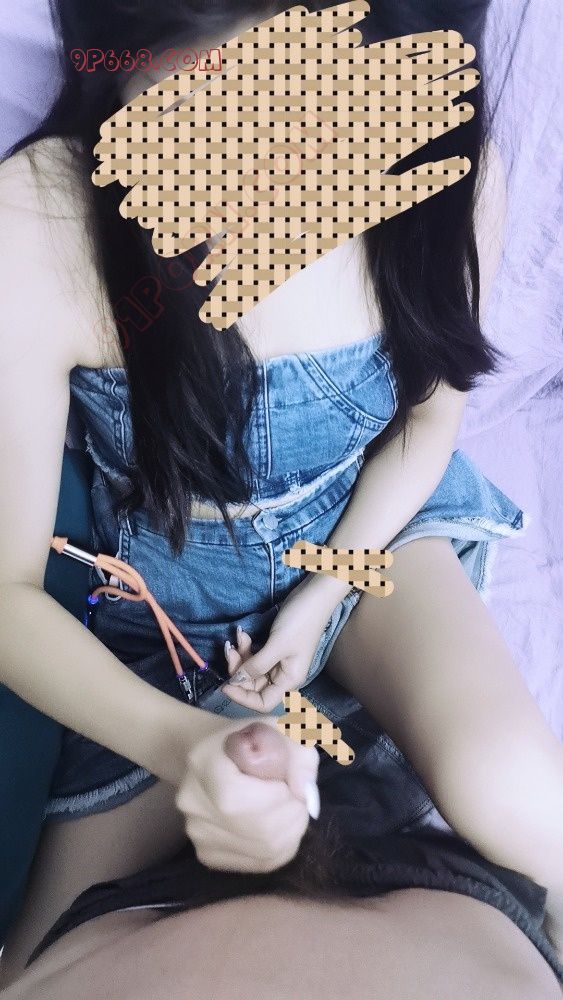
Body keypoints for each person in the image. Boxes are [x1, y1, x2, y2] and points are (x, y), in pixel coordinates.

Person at [0, 0, 561, 994]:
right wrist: (186, 744)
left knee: (515, 792)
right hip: (161, 613)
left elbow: (425, 428)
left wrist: (318, 597)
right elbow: (7, 596)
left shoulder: (438, 168)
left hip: (368, 540)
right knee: (39, 961)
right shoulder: (42, 219)